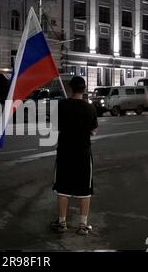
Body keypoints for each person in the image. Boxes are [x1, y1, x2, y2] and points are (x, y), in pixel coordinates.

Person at [50, 76, 98, 235]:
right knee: (85, 190)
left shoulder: (62, 105)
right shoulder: (90, 108)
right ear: (84, 90)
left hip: (65, 152)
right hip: (83, 153)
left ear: (71, 88)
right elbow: (93, 130)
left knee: (63, 189)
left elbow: (55, 126)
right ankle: (83, 225)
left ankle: (62, 223)